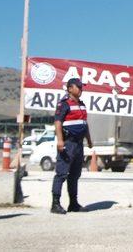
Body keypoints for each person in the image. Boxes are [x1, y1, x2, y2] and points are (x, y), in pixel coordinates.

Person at [51, 78, 93, 214]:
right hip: (68, 143)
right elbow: (58, 122)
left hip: (79, 144)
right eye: (78, 87)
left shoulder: (82, 104)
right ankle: (55, 204)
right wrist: (60, 141)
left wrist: (89, 140)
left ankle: (73, 204)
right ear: (70, 88)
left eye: (82, 87)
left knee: (75, 175)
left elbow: (84, 124)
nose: (81, 89)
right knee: (61, 173)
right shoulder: (64, 104)